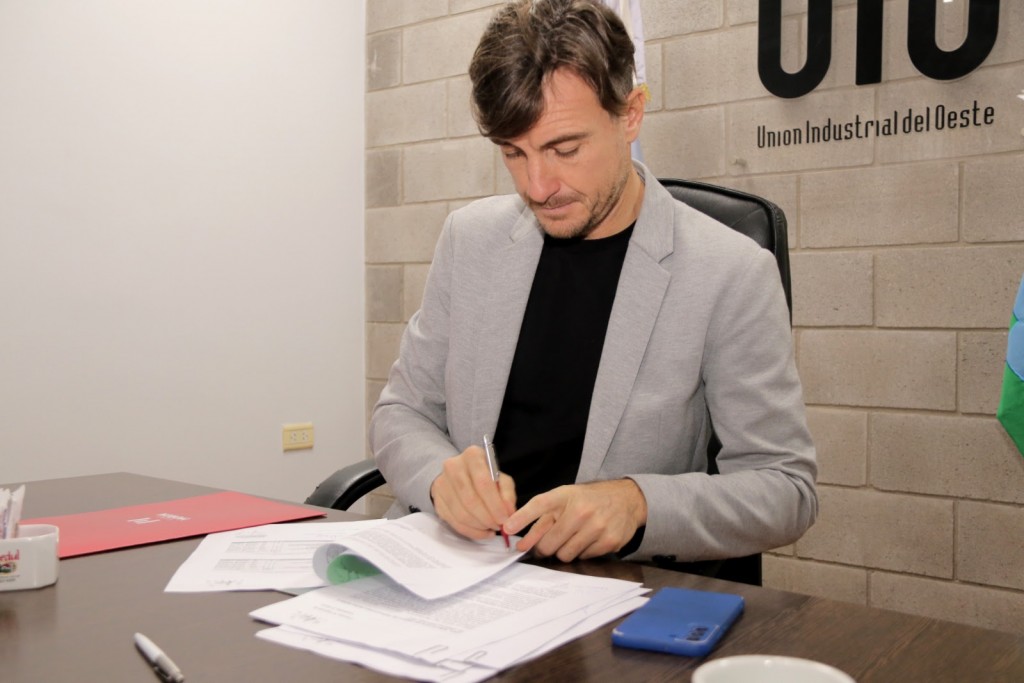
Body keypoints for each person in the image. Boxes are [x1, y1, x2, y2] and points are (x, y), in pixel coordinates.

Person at [370, 0, 817, 569]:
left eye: (565, 149)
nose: (538, 186)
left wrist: (637, 503)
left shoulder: (730, 271)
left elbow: (785, 489)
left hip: (609, 593)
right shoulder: (470, 240)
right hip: (459, 576)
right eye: (514, 153)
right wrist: (441, 479)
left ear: (630, 114)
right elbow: (401, 413)